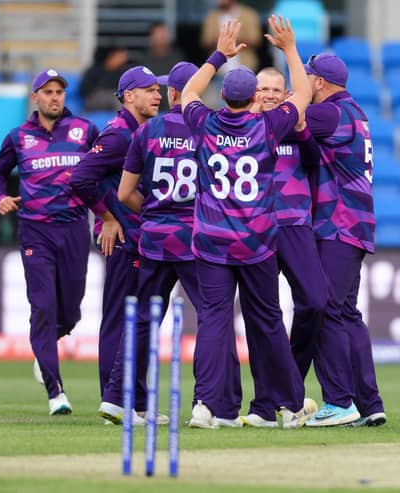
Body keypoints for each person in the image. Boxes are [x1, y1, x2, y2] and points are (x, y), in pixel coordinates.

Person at [181, 17, 313, 429]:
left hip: (212, 243)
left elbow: (187, 91)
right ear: (255, 95)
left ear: (223, 96)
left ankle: (205, 405)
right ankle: (291, 406)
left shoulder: (205, 123)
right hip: (256, 244)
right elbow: (304, 92)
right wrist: (289, 49)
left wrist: (219, 53)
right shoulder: (267, 127)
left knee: (214, 323)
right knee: (269, 322)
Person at [116, 61, 243, 428]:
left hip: (154, 239)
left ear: (172, 92)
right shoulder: (211, 129)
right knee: (213, 319)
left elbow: (125, 193)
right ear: (197, 93)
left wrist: (156, 211)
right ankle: (212, 404)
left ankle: (128, 402)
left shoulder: (148, 130)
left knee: (142, 320)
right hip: (197, 239)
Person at [0, 69, 99, 415]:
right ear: (35, 97)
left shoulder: (84, 131)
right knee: (43, 308)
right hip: (36, 231)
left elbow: (102, 169)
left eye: (59, 92)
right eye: (47, 91)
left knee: (72, 311)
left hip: (75, 228)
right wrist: (0, 196)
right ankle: (56, 392)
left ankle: (45, 345)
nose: (54, 97)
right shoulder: (19, 137)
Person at [70, 65, 162, 424]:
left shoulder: (140, 131)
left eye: (159, 89)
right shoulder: (119, 135)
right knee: (120, 321)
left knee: (136, 321)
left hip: (139, 237)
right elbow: (79, 179)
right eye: (150, 90)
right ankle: (117, 402)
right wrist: (106, 218)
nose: (158, 95)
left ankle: (135, 403)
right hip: (124, 239)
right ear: (129, 96)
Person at [302, 53, 387, 427]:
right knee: (348, 313)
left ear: (319, 83)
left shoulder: (329, 113)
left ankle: (339, 401)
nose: (302, 85)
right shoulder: (356, 112)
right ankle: (370, 403)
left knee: (328, 310)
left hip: (337, 224)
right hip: (356, 225)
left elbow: (286, 122)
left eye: (306, 79)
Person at [241, 66, 327, 427]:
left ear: (287, 92)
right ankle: (263, 406)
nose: (270, 95)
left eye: (277, 89)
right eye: (263, 88)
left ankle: (288, 377)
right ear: (252, 92)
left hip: (294, 223)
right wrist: (251, 118)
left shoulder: (295, 124)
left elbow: (313, 161)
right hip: (255, 227)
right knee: (261, 317)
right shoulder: (239, 127)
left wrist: (301, 126)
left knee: (315, 300)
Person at [200, 0, 262, 73]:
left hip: (246, 69)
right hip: (219, 71)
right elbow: (205, 42)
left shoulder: (248, 14)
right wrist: (222, 41)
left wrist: (233, 39)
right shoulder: (211, 16)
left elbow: (256, 40)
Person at [141, 22, 185, 112]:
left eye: (164, 33)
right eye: (158, 34)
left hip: (174, 103)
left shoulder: (177, 57)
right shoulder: (144, 60)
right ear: (151, 37)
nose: (161, 37)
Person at [79, 45, 131, 111]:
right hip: (93, 99)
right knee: (117, 100)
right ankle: (126, 120)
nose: (124, 59)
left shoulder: (121, 72)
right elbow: (83, 91)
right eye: (121, 56)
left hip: (113, 98)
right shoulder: (94, 70)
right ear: (110, 57)